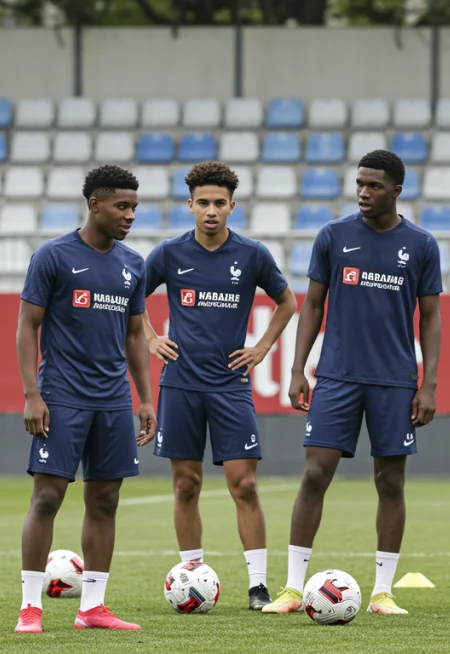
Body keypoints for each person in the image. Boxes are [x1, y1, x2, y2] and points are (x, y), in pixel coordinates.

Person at [263, 150, 442, 616]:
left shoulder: (421, 244)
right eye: (360, 184)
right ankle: (293, 588)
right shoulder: (334, 236)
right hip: (337, 377)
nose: (364, 192)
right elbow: (313, 306)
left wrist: (429, 383)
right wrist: (298, 368)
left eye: (374, 186)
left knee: (390, 482)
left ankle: (383, 592)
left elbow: (431, 317)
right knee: (315, 474)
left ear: (396, 190)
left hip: (394, 380)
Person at [141, 161, 297, 610]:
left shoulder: (252, 255)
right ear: (190, 205)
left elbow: (286, 302)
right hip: (181, 386)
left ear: (232, 206)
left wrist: (262, 348)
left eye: (219, 203)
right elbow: (131, 301)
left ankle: (258, 586)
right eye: (203, 203)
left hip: (230, 387)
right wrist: (151, 338)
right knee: (185, 484)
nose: (211, 210)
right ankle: (192, 576)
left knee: (244, 485)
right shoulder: (169, 254)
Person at [14, 165, 157, 634]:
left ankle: (92, 607)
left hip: (113, 400)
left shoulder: (133, 263)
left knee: (106, 500)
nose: (130, 215)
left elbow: (136, 335)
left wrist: (145, 397)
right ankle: (30, 607)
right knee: (48, 498)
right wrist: (32, 394)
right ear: (94, 204)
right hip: (62, 396)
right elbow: (27, 326)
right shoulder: (54, 256)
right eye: (122, 205)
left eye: (134, 207)